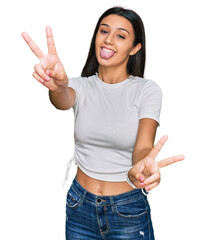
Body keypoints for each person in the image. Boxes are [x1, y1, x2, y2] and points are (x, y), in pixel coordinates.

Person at [22, 6, 184, 240]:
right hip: (79, 204)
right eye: (103, 31)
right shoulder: (81, 86)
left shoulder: (146, 90)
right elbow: (63, 99)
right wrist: (57, 87)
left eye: (120, 36)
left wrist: (142, 166)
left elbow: (143, 145)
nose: (108, 40)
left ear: (135, 48)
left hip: (127, 208)